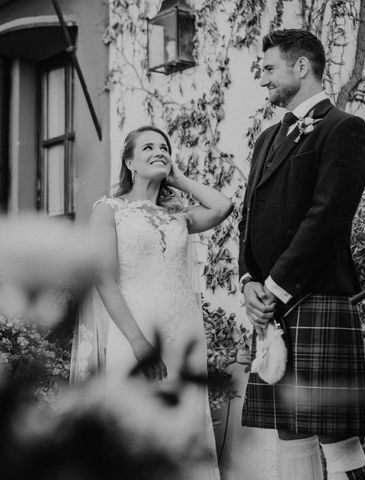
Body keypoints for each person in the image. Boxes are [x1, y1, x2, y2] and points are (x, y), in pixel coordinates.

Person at [238, 29, 365, 480]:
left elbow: (327, 218)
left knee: (335, 433)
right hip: (273, 303)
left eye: (269, 68)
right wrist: (248, 281)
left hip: (315, 296)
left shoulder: (343, 128)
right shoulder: (266, 139)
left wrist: (274, 287)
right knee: (290, 428)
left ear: (301, 68)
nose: (263, 79)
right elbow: (250, 215)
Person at [72, 125, 232, 480]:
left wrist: (181, 179)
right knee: (137, 431)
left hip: (184, 337)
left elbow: (223, 206)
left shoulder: (178, 215)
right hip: (136, 335)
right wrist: (139, 343)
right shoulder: (109, 210)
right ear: (130, 161)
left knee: (180, 432)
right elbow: (104, 279)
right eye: (148, 148)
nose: (159, 151)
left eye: (164, 147)